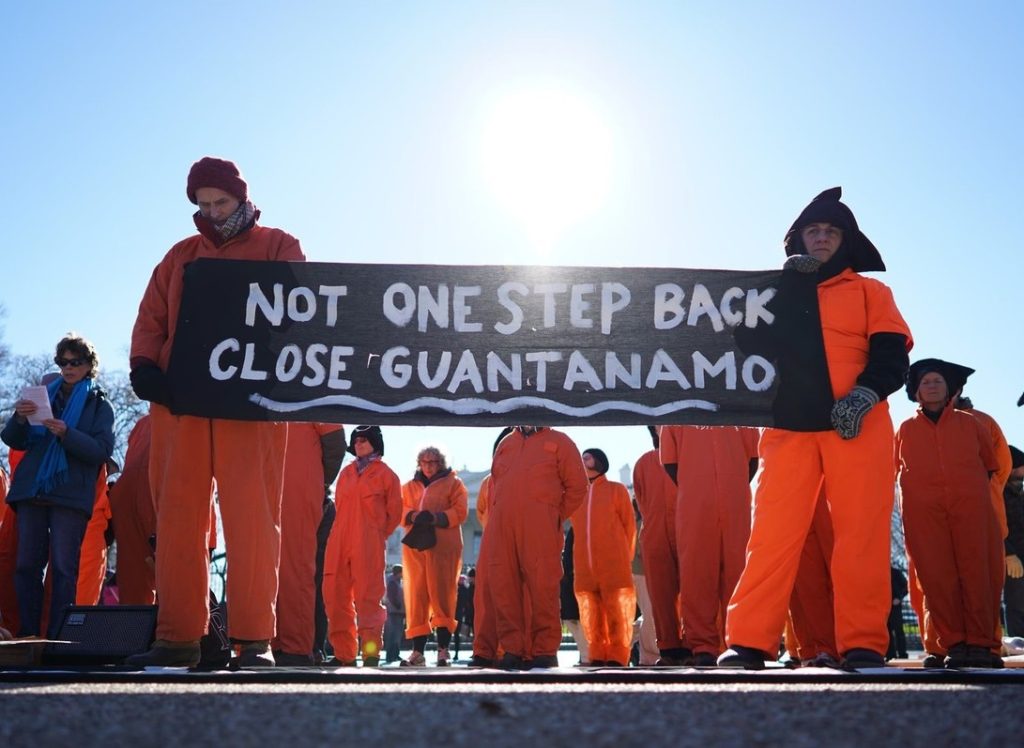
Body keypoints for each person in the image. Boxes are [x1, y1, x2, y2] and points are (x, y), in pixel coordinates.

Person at [720, 187, 912, 670]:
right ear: (798, 239)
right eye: (814, 230)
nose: (822, 237)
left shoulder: (872, 292)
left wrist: (866, 393)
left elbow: (893, 354)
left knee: (861, 534)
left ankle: (864, 642)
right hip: (788, 423)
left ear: (846, 241)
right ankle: (748, 642)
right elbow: (745, 344)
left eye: (831, 231)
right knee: (771, 534)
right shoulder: (775, 293)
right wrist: (787, 291)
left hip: (859, 422)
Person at [126, 157, 304, 669]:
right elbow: (151, 315)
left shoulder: (277, 245)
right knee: (177, 516)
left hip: (248, 402)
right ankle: (178, 635)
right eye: (202, 204)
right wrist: (143, 363)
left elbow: (302, 308)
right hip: (180, 403)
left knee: (252, 516)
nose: (210, 211)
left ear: (241, 198)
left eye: (219, 201)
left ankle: (254, 639)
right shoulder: (179, 255)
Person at [1, 333, 115, 639]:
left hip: (70, 495)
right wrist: (21, 418)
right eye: (62, 361)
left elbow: (102, 450)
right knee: (26, 566)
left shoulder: (99, 404)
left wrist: (67, 434)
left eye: (75, 362)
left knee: (65, 569)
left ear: (89, 365)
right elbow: (12, 439)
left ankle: (57, 639)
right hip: (32, 492)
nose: (67, 367)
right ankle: (28, 636)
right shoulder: (42, 396)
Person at [896, 358, 1003, 668]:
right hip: (924, 515)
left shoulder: (972, 425)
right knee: (936, 578)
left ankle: (983, 644)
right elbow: (895, 470)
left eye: (938, 381)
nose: (931, 386)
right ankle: (954, 643)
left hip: (971, 509)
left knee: (978, 574)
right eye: (925, 382)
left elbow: (990, 466)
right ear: (915, 390)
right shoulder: (904, 429)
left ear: (951, 390)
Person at [488, 426, 588, 669]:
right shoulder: (506, 443)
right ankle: (513, 649)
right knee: (504, 587)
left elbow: (578, 487)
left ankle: (544, 650)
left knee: (544, 586)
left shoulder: (561, 441)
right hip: (502, 526)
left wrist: (552, 515)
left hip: (540, 527)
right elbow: (496, 485)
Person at [661, 425, 759, 666]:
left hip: (735, 500)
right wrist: (694, 484)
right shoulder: (677, 411)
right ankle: (702, 645)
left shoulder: (736, 403)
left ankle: (739, 642)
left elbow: (754, 457)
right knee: (697, 573)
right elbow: (670, 462)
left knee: (739, 573)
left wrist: (732, 482)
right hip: (695, 503)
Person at [322, 426, 401, 667]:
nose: (358, 443)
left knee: (368, 597)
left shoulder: (387, 475)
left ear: (375, 443)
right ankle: (344, 653)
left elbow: (395, 513)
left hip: (368, 542)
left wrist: (374, 535)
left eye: (363, 440)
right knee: (334, 596)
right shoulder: (345, 473)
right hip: (338, 540)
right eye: (355, 440)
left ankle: (370, 653)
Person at [273, 423, 345, 666]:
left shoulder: (308, 394)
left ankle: (298, 646)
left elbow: (335, 442)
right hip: (273, 486)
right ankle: (270, 641)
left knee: (299, 571)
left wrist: (316, 482)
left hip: (300, 491)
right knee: (270, 569)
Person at [399, 445, 468, 667]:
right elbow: (398, 509)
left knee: (443, 595)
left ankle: (443, 650)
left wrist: (436, 518)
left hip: (444, 548)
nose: (429, 466)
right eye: (425, 462)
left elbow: (460, 512)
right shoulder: (408, 487)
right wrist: (413, 515)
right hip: (415, 549)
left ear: (441, 463)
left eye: (434, 462)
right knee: (416, 596)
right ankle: (417, 652)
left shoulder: (454, 484)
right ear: (419, 464)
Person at [570, 448, 636, 667]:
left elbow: (629, 526)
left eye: (587, 456)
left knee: (617, 611)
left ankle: (618, 654)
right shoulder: (576, 494)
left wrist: (623, 557)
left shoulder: (616, 490)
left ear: (599, 461)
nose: (582, 460)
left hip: (613, 564)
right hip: (584, 566)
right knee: (591, 611)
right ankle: (597, 652)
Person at [631, 426, 687, 665]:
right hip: (655, 535)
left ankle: (697, 645)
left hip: (687, 531)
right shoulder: (643, 463)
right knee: (661, 596)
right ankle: (669, 648)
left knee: (695, 592)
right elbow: (642, 502)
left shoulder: (688, 458)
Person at [108, 415, 156, 605]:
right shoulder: (189, 414)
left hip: (125, 495)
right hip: (157, 491)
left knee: (134, 579)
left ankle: (134, 630)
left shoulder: (142, 424)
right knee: (172, 577)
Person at [1003, 445, 1024, 636]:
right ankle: (1020, 647)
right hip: (1012, 558)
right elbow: (998, 526)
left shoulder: (1020, 494)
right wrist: (1008, 553)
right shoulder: (999, 494)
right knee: (1016, 603)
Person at [383, 564, 405, 663]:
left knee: (397, 634)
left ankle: (395, 654)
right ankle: (391, 655)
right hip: (394, 612)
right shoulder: (392, 582)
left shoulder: (397, 581)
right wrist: (398, 606)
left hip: (397, 612)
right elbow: (392, 596)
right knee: (393, 634)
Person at [453, 568, 475, 660]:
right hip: (461, 614)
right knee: (457, 634)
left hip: (460, 614)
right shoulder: (467, 588)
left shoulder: (464, 589)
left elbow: (467, 603)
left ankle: (456, 653)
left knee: (457, 634)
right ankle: (456, 653)